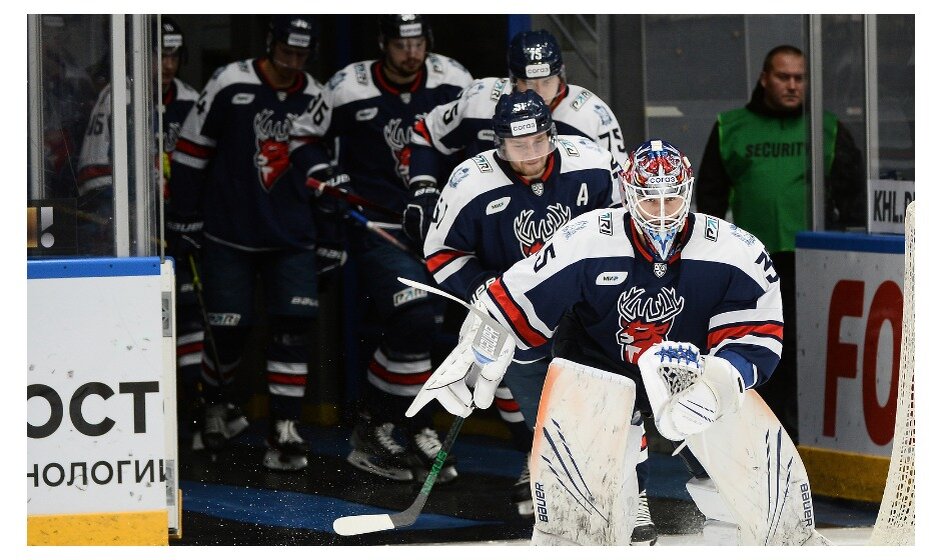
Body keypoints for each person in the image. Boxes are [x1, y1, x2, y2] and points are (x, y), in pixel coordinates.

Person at [407, 139, 826, 546]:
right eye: (649, 201)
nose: (661, 215)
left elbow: (759, 334)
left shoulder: (735, 251)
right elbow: (515, 297)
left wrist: (717, 385)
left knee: (767, 506)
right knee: (582, 522)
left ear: (688, 193)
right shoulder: (586, 238)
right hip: (598, 375)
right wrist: (483, 343)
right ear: (628, 194)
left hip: (692, 375)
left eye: (672, 200)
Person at [420, 89, 662, 542]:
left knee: (618, 403)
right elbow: (440, 253)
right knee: (548, 416)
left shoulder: (592, 164)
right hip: (519, 316)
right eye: (516, 146)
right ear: (498, 145)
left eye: (538, 143)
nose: (529, 156)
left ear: (552, 135)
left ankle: (635, 494)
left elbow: (634, 226)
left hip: (590, 309)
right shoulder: (470, 182)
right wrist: (485, 294)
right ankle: (569, 495)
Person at [289, 15, 473, 483]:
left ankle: (401, 425)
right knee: (412, 315)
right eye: (400, 44)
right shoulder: (347, 86)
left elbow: (478, 140)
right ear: (382, 45)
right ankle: (382, 424)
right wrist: (327, 174)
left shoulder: (454, 78)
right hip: (377, 224)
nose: (410, 53)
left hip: (440, 227)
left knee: (436, 329)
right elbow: (302, 137)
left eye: (418, 43)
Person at [167, 15, 327, 472]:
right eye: (286, 52)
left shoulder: (315, 95)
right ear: (270, 43)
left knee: (293, 328)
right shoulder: (229, 81)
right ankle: (216, 405)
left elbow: (318, 167)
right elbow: (191, 150)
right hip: (228, 233)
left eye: (302, 54)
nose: (293, 62)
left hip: (291, 235)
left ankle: (285, 428)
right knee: (228, 332)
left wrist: (329, 236)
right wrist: (185, 217)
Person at [696, 44, 866, 440]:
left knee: (806, 354)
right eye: (783, 77)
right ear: (764, 78)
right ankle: (759, 432)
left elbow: (853, 201)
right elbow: (711, 202)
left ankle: (801, 434)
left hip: (813, 261)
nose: (792, 85)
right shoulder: (730, 127)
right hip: (754, 264)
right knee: (757, 347)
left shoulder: (826, 128)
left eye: (799, 78)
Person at [78, 18, 205, 428]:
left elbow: (205, 169)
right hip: (127, 236)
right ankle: (137, 412)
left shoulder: (191, 100)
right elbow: (94, 171)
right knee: (132, 320)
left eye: (173, 56)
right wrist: (121, 219)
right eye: (159, 54)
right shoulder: (119, 95)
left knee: (187, 313)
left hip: (177, 231)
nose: (167, 65)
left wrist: (190, 219)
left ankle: (192, 409)